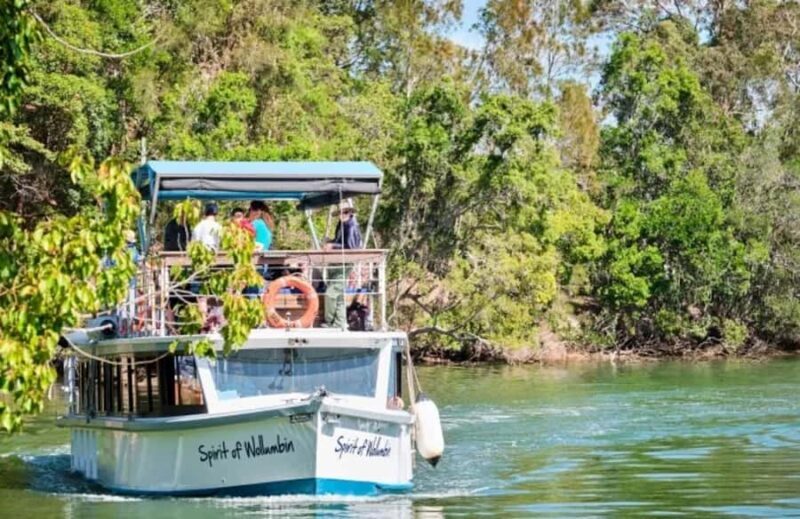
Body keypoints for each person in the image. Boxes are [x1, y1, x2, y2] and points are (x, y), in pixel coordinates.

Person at [323, 202, 362, 328]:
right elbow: (339, 241)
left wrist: (333, 245)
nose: (342, 215)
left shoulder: (351, 226)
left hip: (345, 262)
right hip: (337, 261)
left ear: (350, 212)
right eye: (340, 212)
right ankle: (339, 322)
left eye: (345, 212)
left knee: (331, 292)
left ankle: (329, 322)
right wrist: (331, 241)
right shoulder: (341, 224)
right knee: (338, 293)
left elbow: (350, 247)